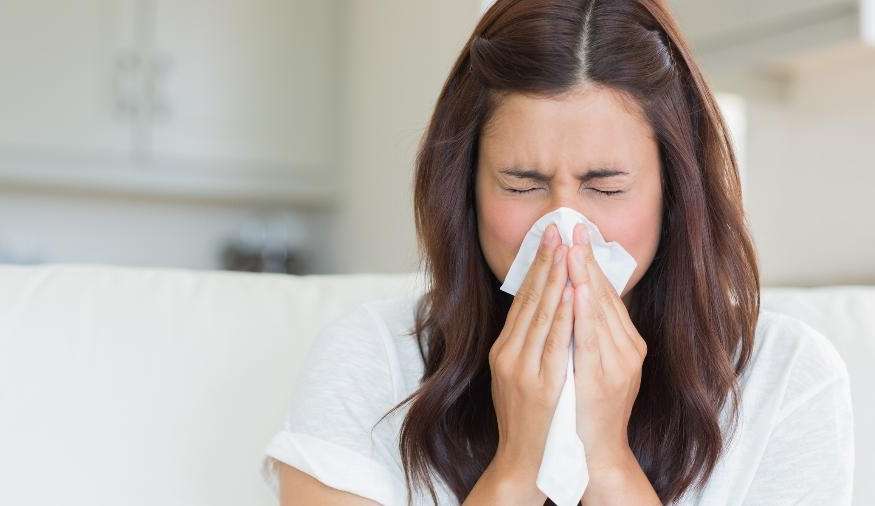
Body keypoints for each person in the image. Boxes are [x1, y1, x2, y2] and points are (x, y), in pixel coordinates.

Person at [260, 0, 855, 504]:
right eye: (522, 185)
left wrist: (607, 461)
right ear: (465, 189)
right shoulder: (370, 361)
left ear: (675, 191)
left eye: (606, 187)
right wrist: (519, 464)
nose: (564, 230)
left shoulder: (785, 375)